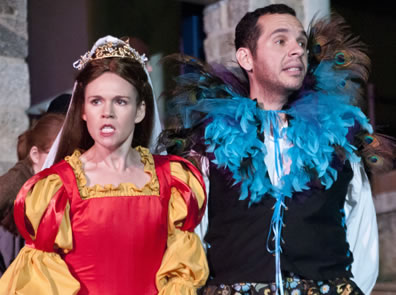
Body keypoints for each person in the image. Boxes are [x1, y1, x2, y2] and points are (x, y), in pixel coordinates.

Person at [158, 4, 381, 295]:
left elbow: (362, 236)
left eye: (301, 42)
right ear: (246, 58)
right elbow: (192, 241)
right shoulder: (208, 146)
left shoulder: (338, 142)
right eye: (280, 41)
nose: (297, 50)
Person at [0, 36, 208, 294]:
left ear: (140, 110)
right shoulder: (57, 189)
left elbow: (182, 274)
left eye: (120, 101)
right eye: (96, 101)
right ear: (84, 111)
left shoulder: (173, 181)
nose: (106, 112)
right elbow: (42, 281)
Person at [0, 113, 65, 274]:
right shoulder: (15, 185)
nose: (64, 162)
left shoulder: (48, 185)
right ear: (35, 155)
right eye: (56, 155)